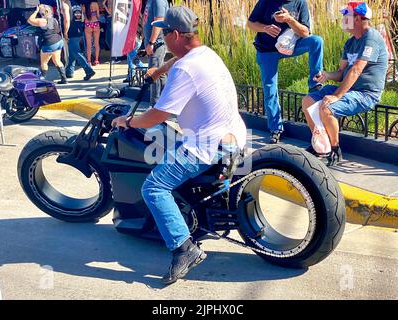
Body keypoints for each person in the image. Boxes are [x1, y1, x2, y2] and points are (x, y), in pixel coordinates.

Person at [111, 6, 247, 285]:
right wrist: (160, 68)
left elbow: (158, 116)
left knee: (154, 187)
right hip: (233, 135)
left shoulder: (185, 68)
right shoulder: (205, 53)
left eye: (163, 33)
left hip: (207, 146)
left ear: (175, 34)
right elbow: (180, 61)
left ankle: (184, 248)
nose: (160, 38)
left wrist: (130, 122)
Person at [302, 2, 388, 166]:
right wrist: (327, 75)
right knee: (307, 101)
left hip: (365, 93)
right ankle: (321, 145)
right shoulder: (350, 43)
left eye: (345, 16)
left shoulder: (371, 38)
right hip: (349, 89)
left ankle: (335, 150)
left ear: (357, 18)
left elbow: (356, 70)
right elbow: (341, 73)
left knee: (327, 108)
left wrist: (336, 96)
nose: (342, 19)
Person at [247, 0, 324, 144]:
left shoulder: (300, 3)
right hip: (267, 49)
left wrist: (289, 19)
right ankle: (275, 129)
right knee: (270, 88)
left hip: (290, 45)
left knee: (316, 41)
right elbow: (250, 23)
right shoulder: (265, 1)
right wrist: (265, 28)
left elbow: (305, 32)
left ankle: (314, 84)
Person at [28, 4, 68, 84]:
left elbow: (29, 20)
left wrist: (36, 11)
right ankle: (64, 79)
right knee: (57, 60)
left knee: (44, 63)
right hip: (58, 41)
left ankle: (42, 80)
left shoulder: (42, 21)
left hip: (49, 43)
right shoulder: (54, 19)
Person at [143, 0, 169, 106]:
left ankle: (155, 105)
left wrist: (151, 42)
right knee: (160, 72)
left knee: (153, 74)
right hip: (152, 43)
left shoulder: (159, 1)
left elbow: (159, 21)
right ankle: (166, 101)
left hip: (157, 43)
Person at [65, 0, 96, 80]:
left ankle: (88, 70)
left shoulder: (66, 4)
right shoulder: (77, 4)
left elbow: (67, 20)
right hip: (79, 30)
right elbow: (82, 18)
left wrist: (65, 32)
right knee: (73, 52)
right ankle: (69, 72)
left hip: (71, 31)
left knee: (76, 52)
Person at [82, 0, 100, 66]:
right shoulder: (95, 4)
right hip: (95, 23)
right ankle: (96, 61)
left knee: (88, 45)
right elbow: (98, 15)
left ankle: (89, 61)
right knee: (96, 43)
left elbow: (83, 17)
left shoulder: (83, 6)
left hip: (88, 24)